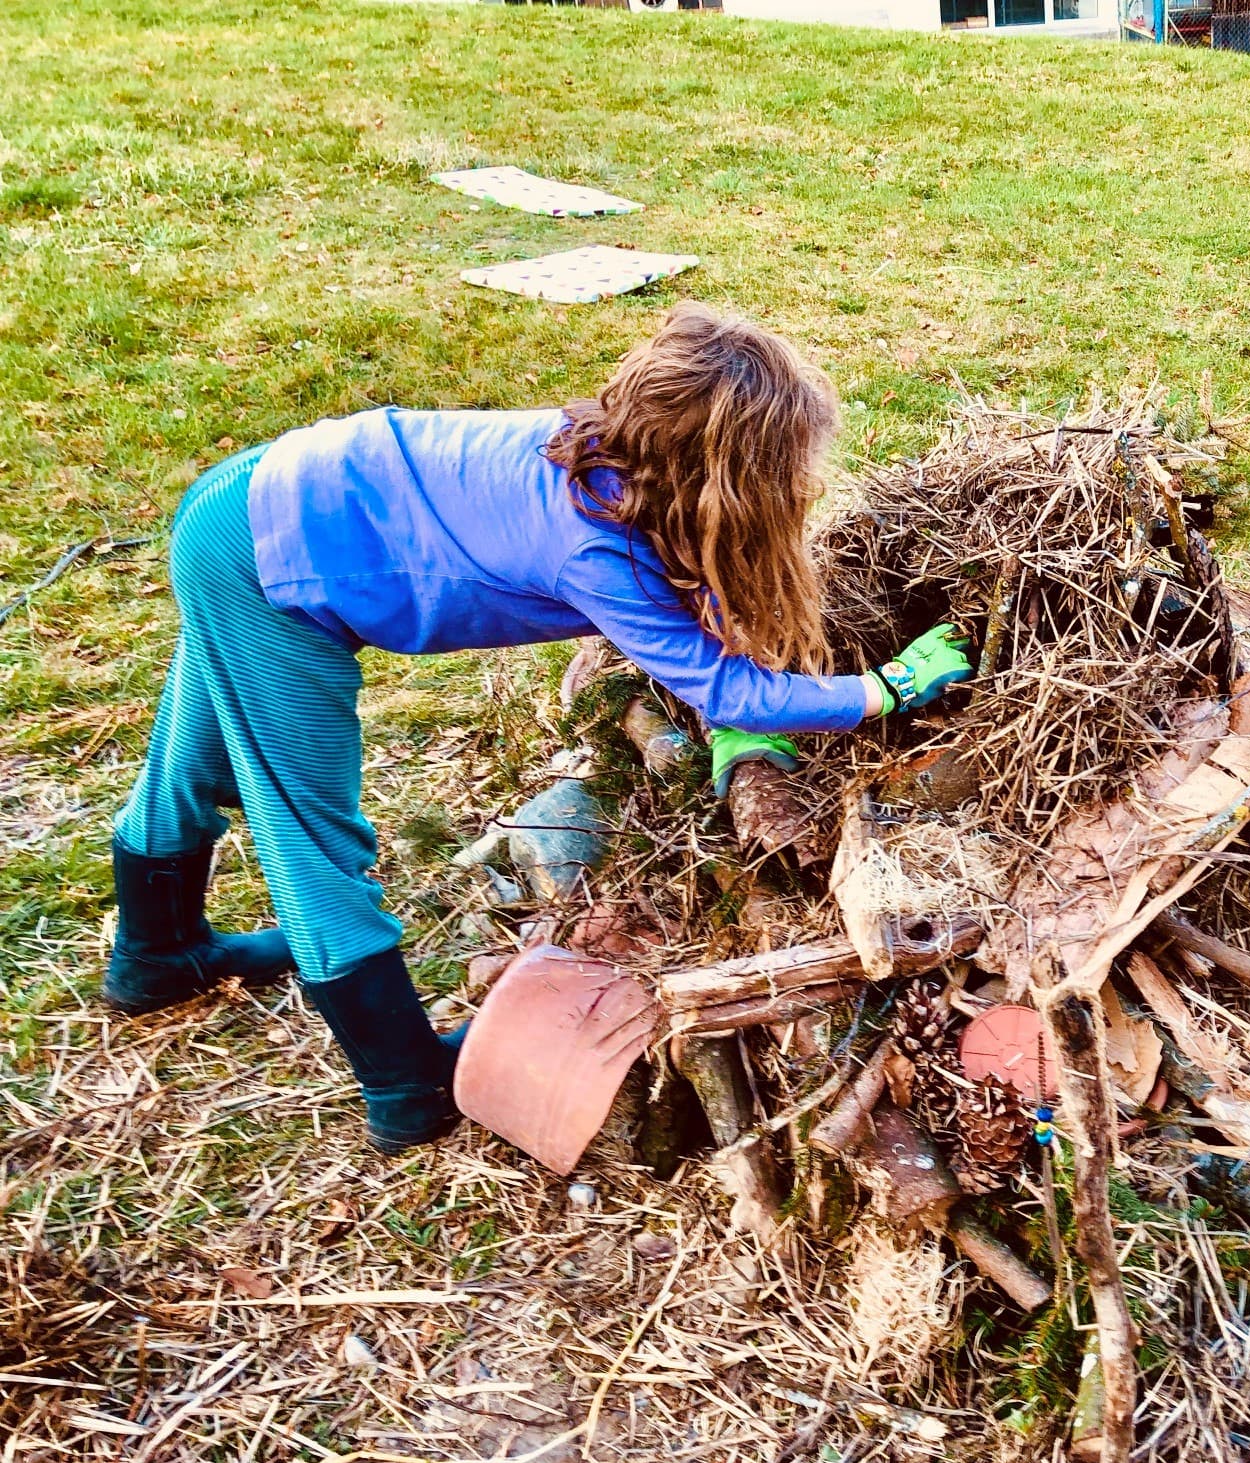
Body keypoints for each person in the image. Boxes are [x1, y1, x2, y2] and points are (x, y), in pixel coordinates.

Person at [104, 303, 972, 1153]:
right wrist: (883, 689)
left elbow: (700, 607)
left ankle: (157, 952)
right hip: (269, 560)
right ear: (725, 479)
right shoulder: (595, 551)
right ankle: (407, 1085)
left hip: (260, 495)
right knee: (309, 829)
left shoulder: (609, 460)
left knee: (201, 742)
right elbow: (728, 690)